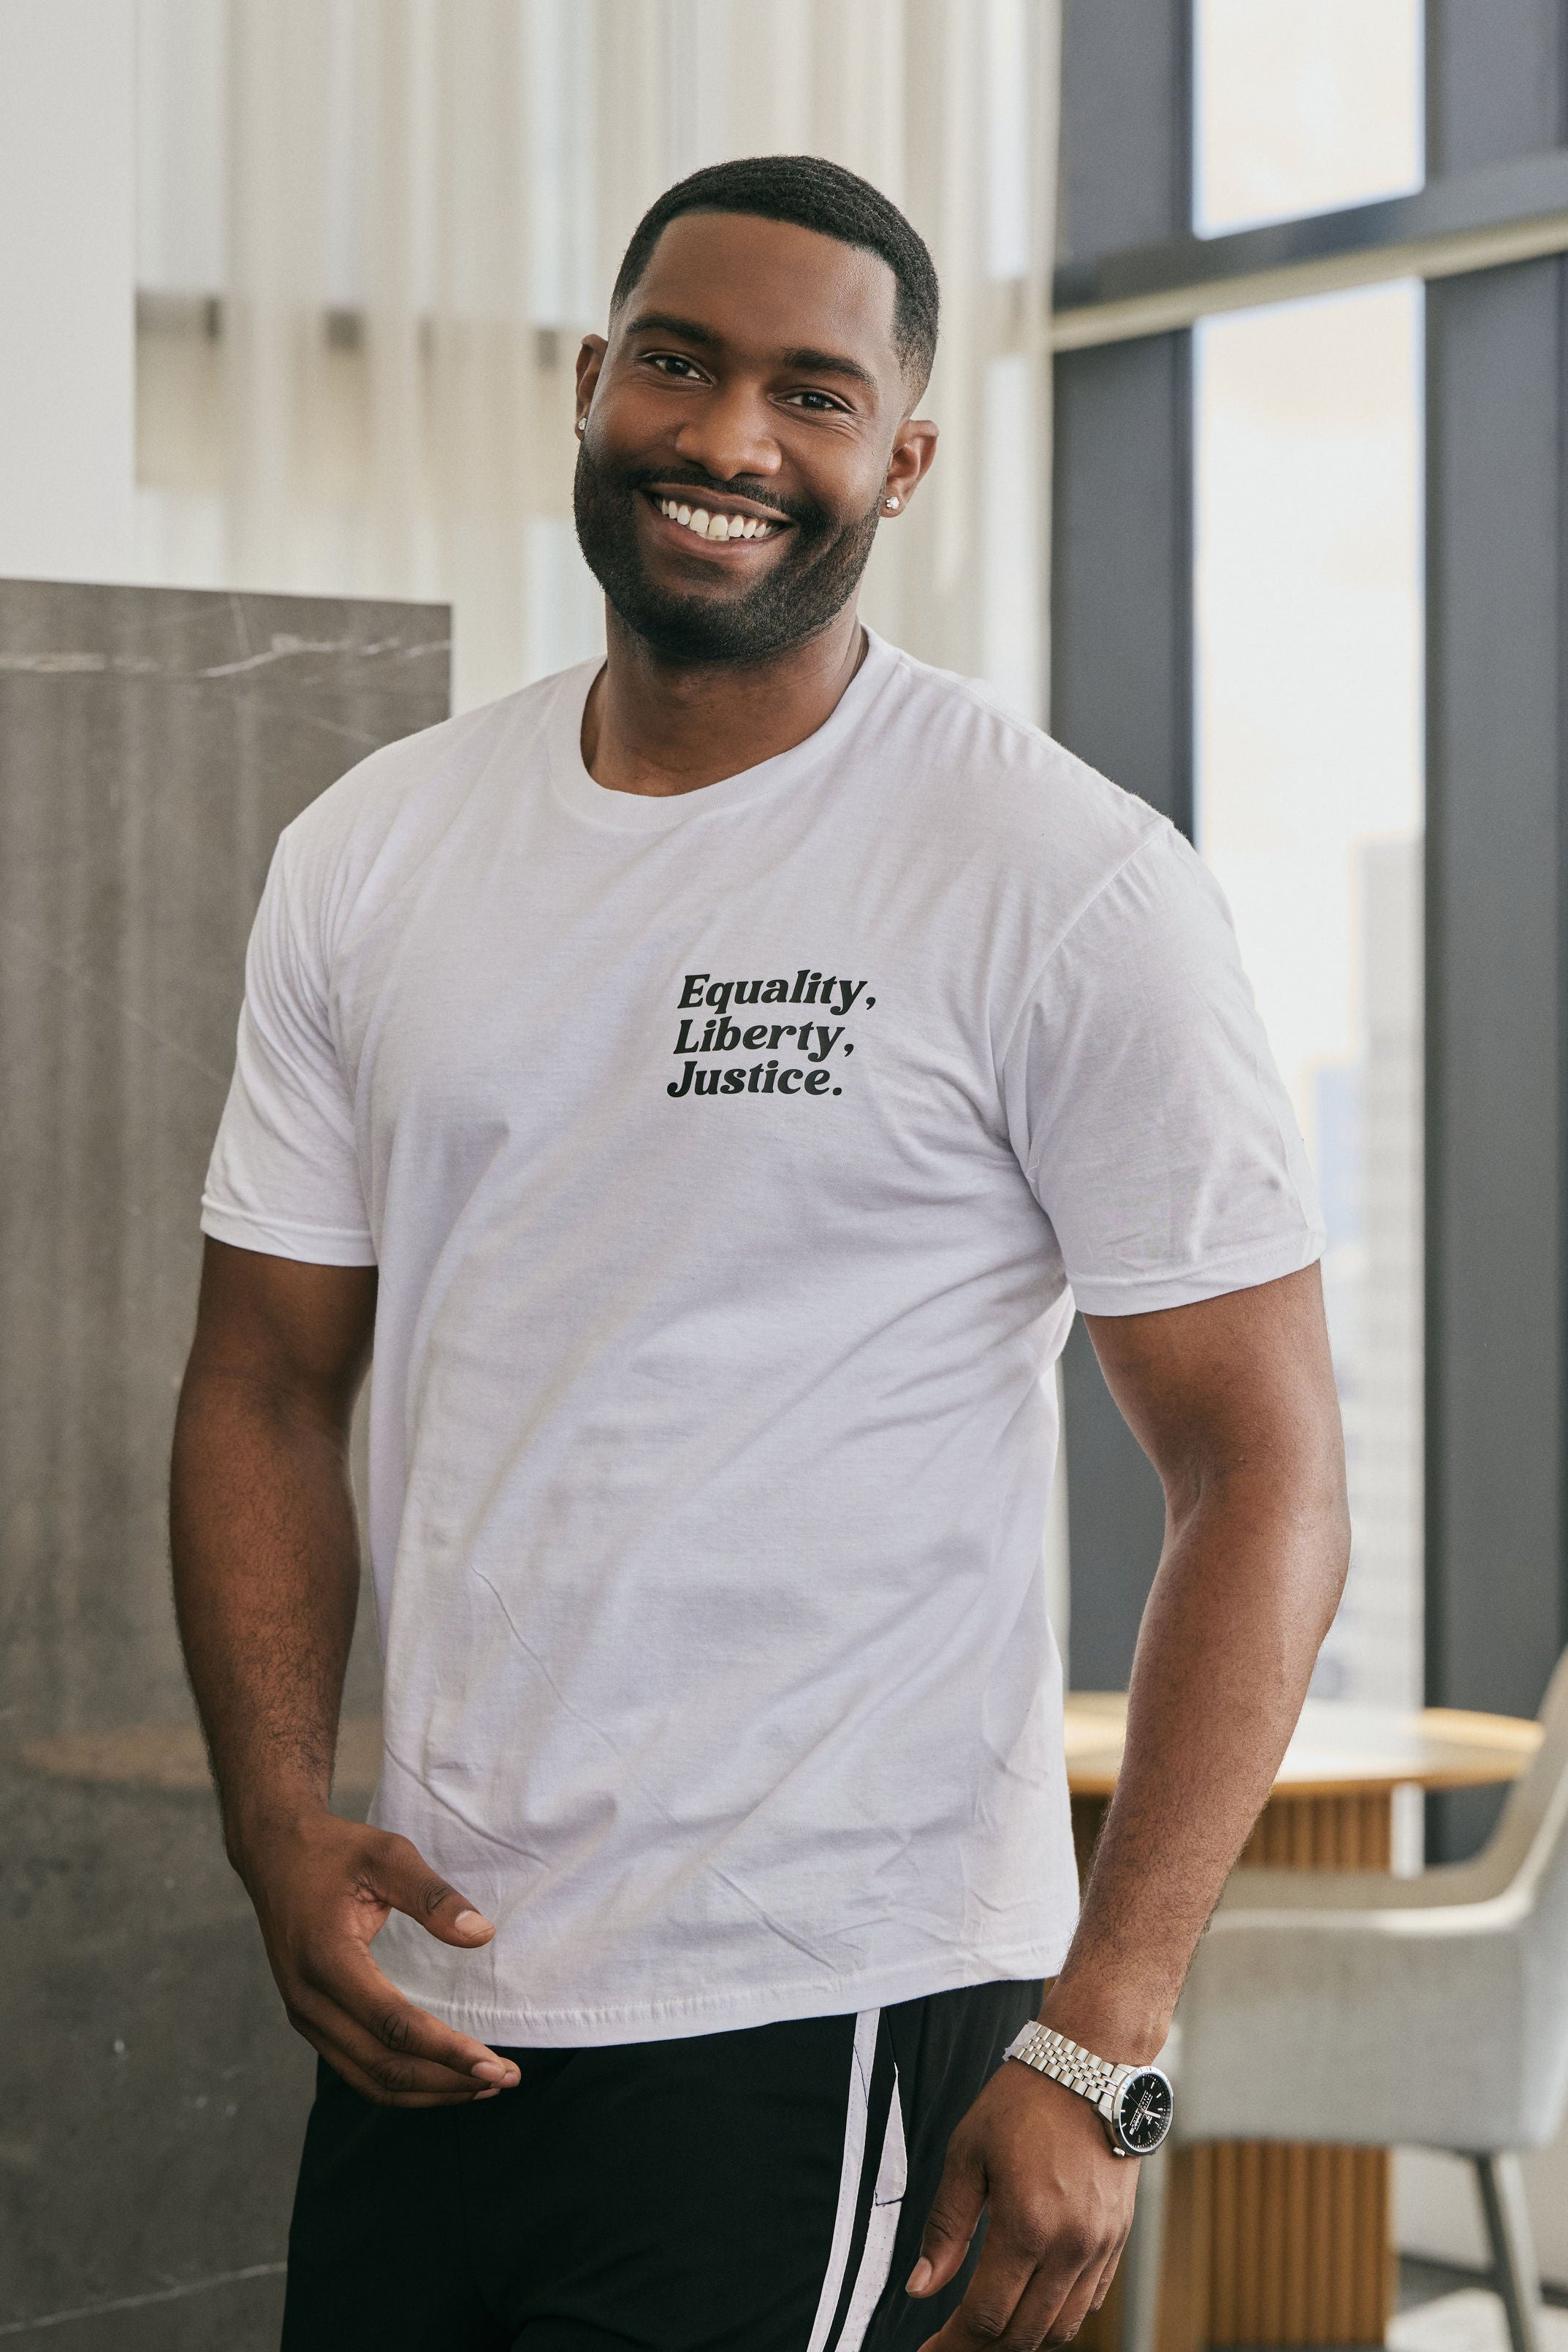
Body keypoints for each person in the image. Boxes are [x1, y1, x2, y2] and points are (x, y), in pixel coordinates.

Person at [171, 154, 1348, 2352]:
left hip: (821, 2005)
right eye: (680, 366)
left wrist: (1099, 2030)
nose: (726, 439)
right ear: (589, 383)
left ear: (899, 457)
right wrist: (272, 1811)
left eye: (811, 395)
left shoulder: (1055, 879)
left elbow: (1261, 1462)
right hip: (433, 1995)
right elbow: (261, 1371)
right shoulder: (375, 851)